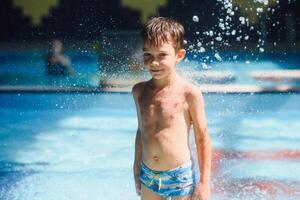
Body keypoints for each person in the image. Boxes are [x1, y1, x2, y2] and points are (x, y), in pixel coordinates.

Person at [132, 17, 212, 200]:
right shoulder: (139, 92)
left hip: (179, 178)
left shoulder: (189, 94)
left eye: (162, 55)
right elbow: (141, 131)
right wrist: (136, 166)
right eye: (148, 55)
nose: (154, 63)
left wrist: (204, 183)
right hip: (148, 176)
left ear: (179, 55)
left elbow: (202, 138)